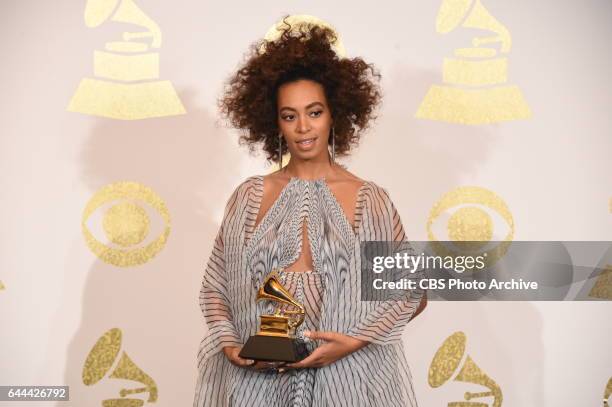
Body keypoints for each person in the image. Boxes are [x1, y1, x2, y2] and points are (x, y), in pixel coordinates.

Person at [193, 18, 427, 407]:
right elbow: (215, 287)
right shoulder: (250, 196)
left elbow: (411, 293)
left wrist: (352, 341)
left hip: (348, 382)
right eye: (289, 115)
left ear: (335, 113)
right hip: (256, 386)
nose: (303, 127)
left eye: (314, 112)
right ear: (276, 123)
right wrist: (230, 343)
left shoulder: (369, 200)